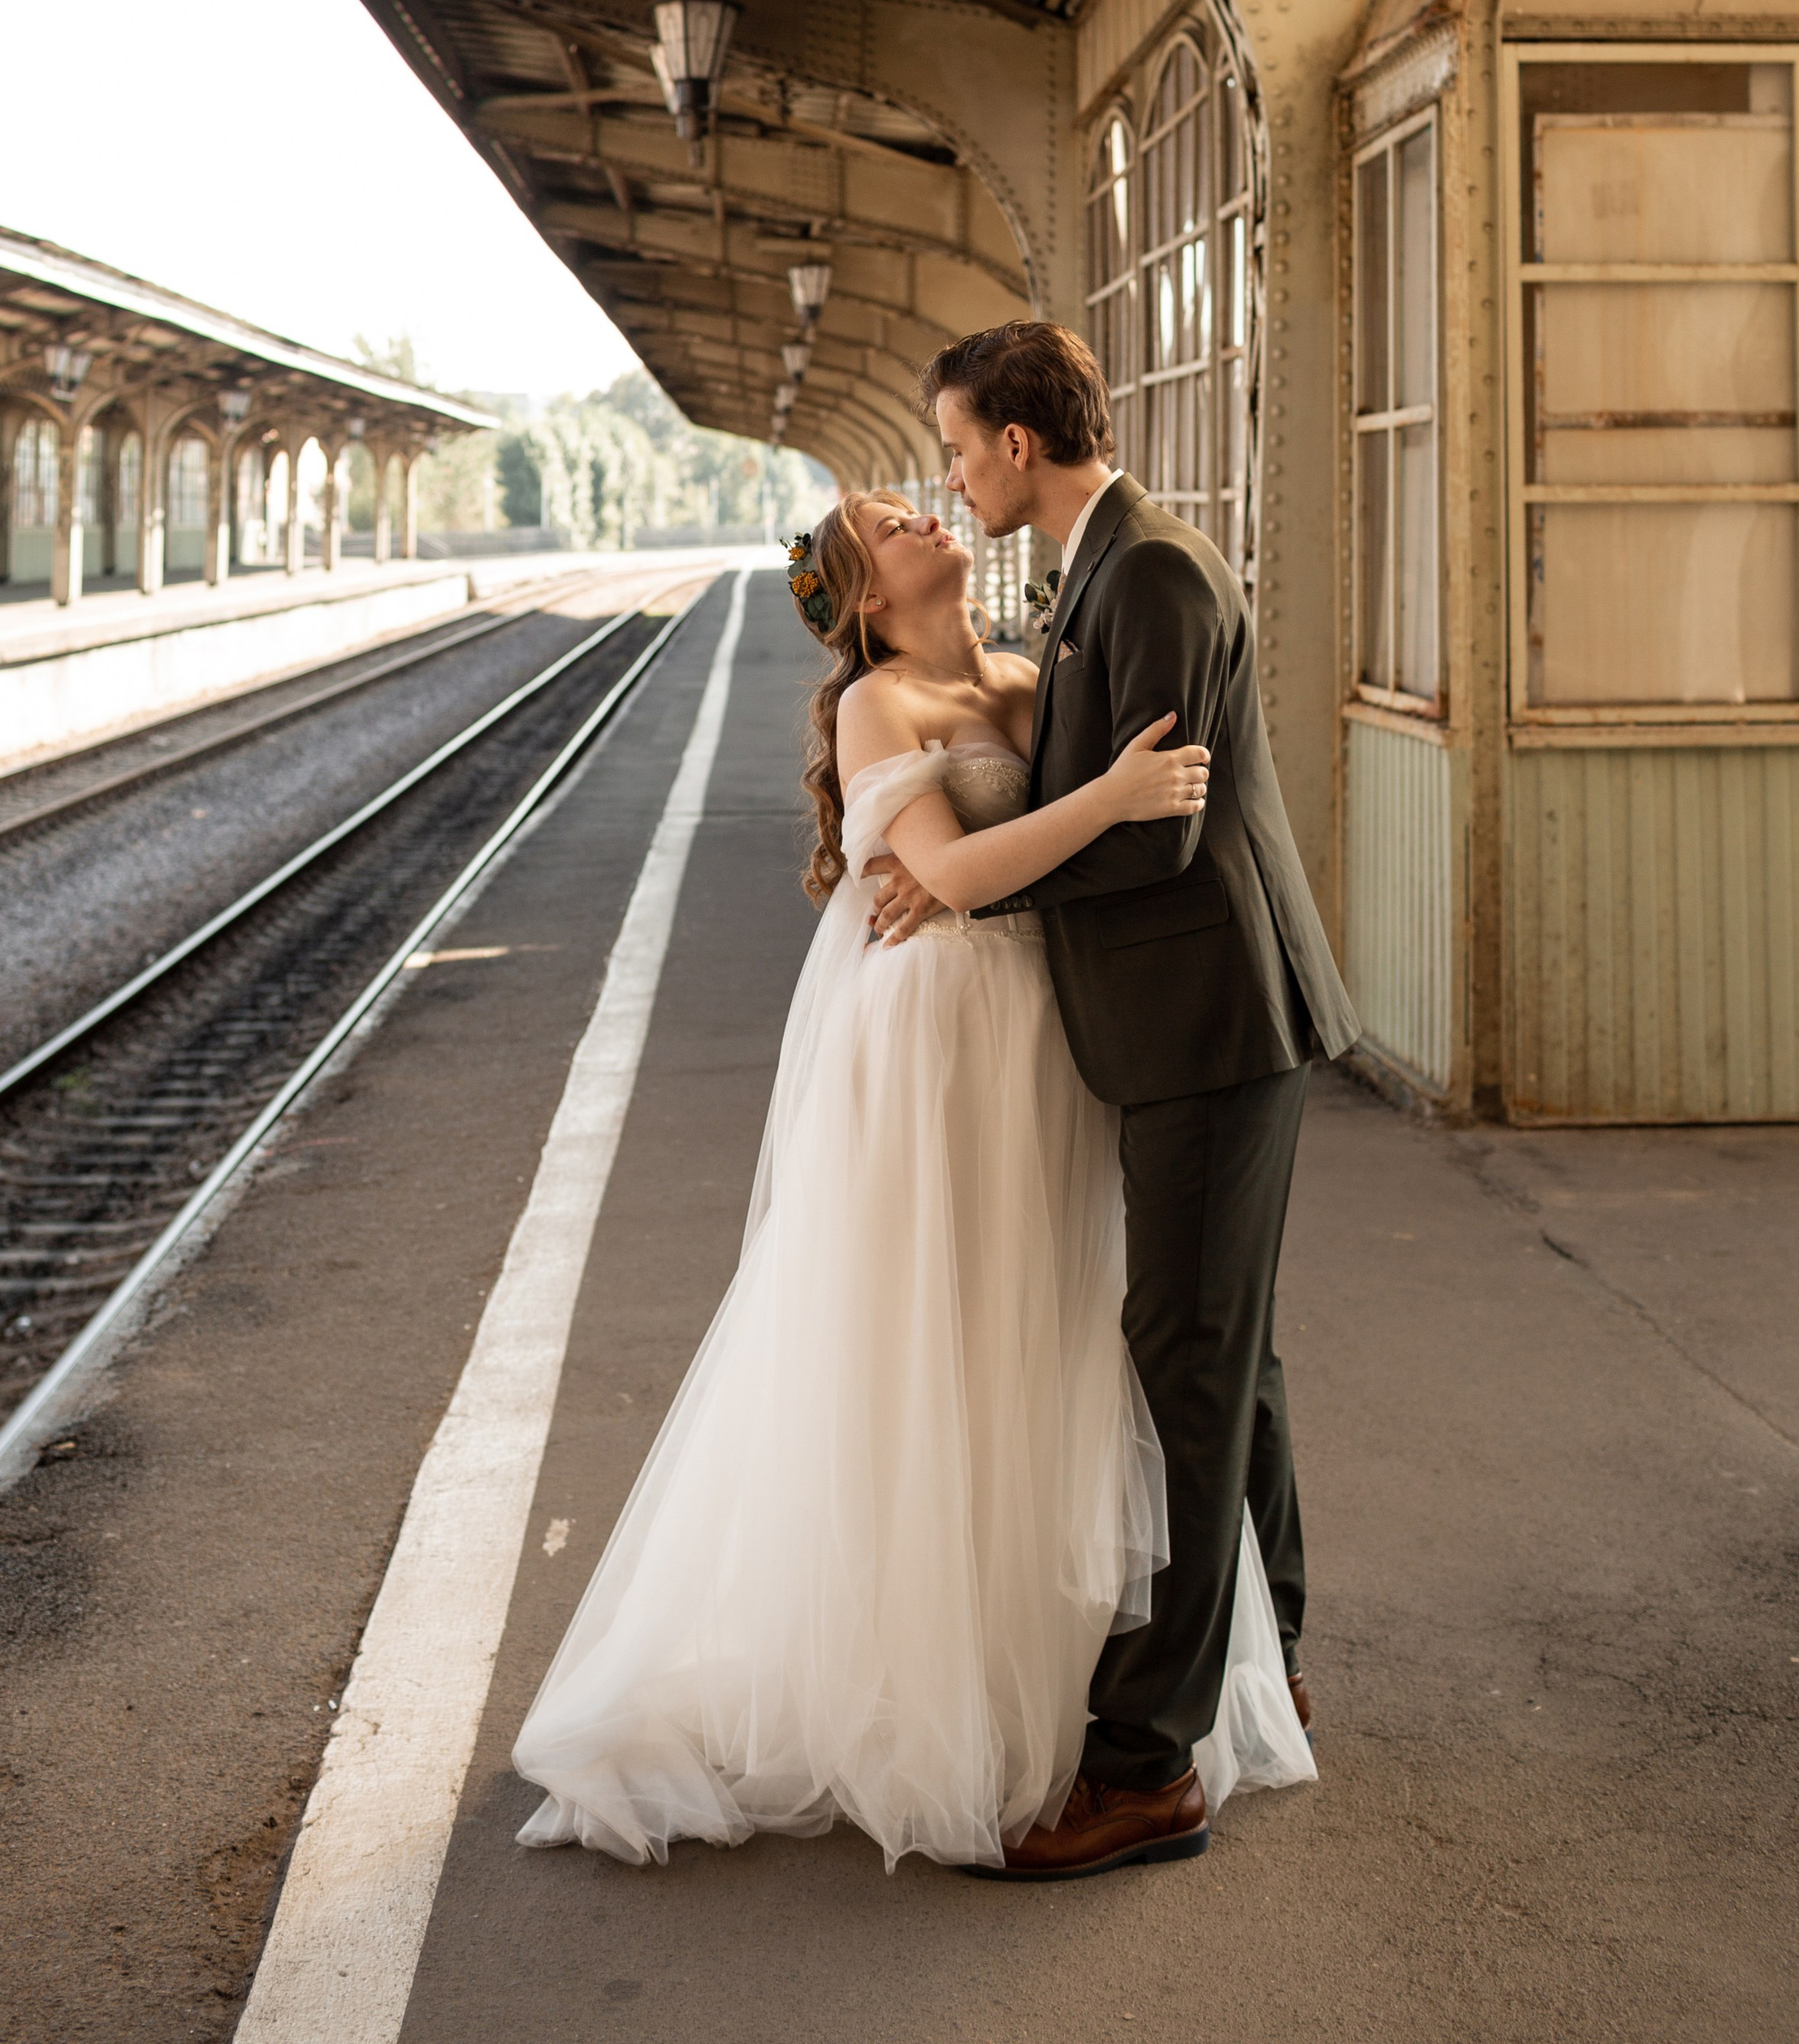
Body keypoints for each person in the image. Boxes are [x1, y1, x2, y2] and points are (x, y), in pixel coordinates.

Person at [512, 494, 1313, 1874]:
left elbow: (1024, 857)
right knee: (939, 1337)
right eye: (891, 519)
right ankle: (935, 1680)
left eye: (924, 491)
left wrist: (1073, 830)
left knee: (1054, 1328)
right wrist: (1102, 803)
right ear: (867, 597)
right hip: (941, 1043)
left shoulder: (1021, 668)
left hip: (1046, 1036)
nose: (926, 509)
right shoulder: (876, 702)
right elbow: (940, 867)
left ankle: (1065, 1661)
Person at [871, 319, 1360, 1879]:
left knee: (1189, 1356)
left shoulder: (1145, 571)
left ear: (1019, 441)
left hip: (1210, 1017)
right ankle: (1266, 1658)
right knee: (1231, 1352)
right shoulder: (1100, 573)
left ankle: (1147, 1762)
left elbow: (1153, 832)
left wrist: (964, 899)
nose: (950, 475)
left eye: (956, 445)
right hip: (1189, 1023)